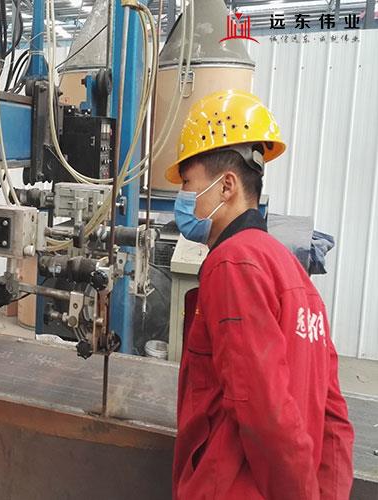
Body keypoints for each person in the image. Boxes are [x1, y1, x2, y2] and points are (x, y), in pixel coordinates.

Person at [166, 89, 354, 499]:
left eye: (188, 184)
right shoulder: (292, 270)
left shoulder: (232, 263)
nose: (184, 200)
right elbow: (334, 418)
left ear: (226, 186)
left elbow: (262, 407)